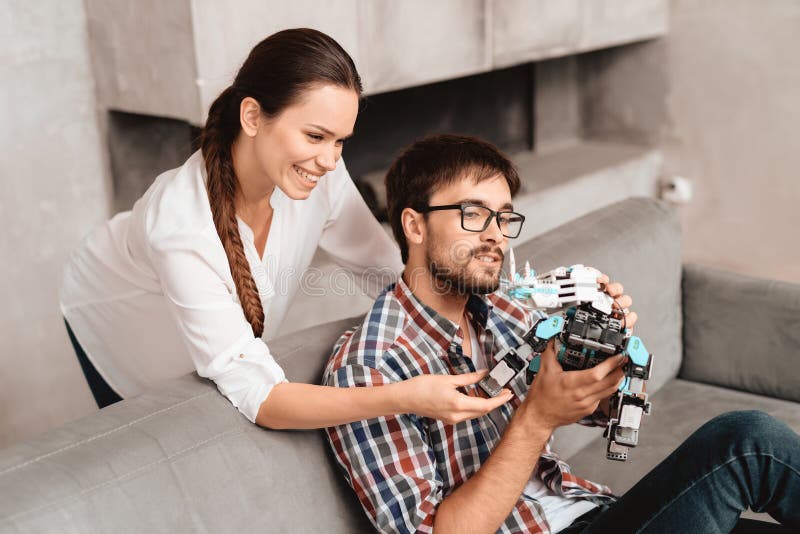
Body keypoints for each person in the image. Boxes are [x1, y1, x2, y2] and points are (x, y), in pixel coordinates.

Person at [323, 134, 800, 533]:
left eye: (505, 217)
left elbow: (594, 410)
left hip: (594, 514)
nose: (496, 235)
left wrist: (600, 359)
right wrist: (536, 419)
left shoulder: (504, 310)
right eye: (473, 214)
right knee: (747, 443)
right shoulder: (370, 366)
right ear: (414, 224)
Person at [59, 29, 510, 429]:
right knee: (158, 441)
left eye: (340, 142)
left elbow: (386, 273)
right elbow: (261, 396)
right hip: (113, 316)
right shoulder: (181, 230)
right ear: (252, 117)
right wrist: (402, 396)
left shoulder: (321, 175)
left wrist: (498, 315)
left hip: (181, 304)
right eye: (315, 137)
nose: (331, 161)